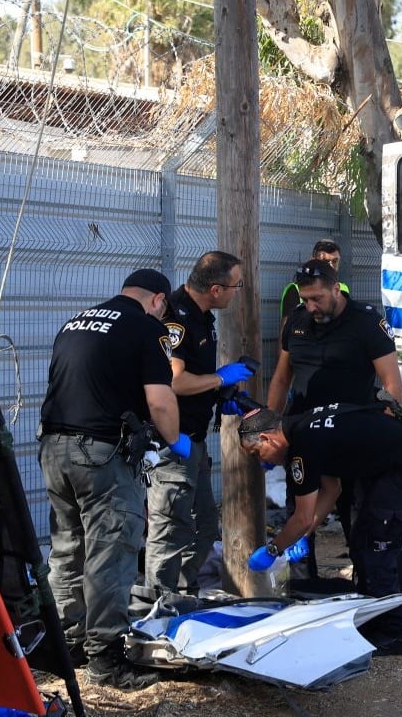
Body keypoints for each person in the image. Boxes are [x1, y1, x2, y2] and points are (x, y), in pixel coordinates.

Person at [39, 268, 189, 689]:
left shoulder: (76, 320)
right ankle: (106, 658)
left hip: (53, 448)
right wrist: (175, 441)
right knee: (112, 551)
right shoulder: (146, 328)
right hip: (101, 455)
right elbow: (160, 401)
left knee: (67, 548)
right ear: (158, 299)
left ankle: (67, 644)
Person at [236, 404, 402, 655]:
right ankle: (375, 623)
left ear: (267, 438)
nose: (261, 461)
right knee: (363, 541)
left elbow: (302, 517)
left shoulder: (302, 449)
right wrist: (304, 534)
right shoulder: (303, 425)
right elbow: (332, 490)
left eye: (257, 452)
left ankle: (398, 633)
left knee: (375, 548)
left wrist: (273, 548)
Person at [267, 259, 402, 576]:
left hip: (354, 436)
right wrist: (272, 425)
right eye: (305, 299)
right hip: (305, 436)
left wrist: (385, 434)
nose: (312, 305)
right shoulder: (297, 322)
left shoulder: (367, 322)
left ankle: (368, 584)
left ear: (335, 288)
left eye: (318, 298)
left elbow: (392, 385)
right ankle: (302, 588)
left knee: (359, 517)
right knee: (300, 513)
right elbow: (280, 379)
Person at [144, 251, 254, 596]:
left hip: (195, 439)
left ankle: (181, 593)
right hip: (171, 443)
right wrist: (219, 379)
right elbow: (173, 381)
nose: (239, 292)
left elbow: (197, 382)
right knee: (171, 529)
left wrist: (223, 396)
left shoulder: (202, 316)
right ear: (217, 289)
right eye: (237, 286)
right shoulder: (176, 318)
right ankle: (158, 604)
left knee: (205, 528)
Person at [279, 239, 350, 323]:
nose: (330, 266)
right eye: (325, 261)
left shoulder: (343, 288)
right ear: (312, 260)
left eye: (335, 261)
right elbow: (285, 331)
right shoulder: (295, 289)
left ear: (336, 290)